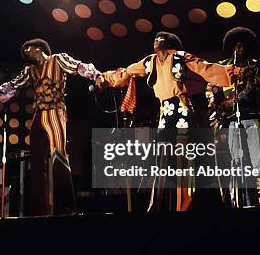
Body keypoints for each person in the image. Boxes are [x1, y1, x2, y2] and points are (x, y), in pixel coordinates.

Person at [96, 31, 244, 211]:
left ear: (169, 44)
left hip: (181, 110)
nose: (156, 40)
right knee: (162, 159)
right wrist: (104, 78)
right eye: (156, 38)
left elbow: (205, 68)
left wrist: (236, 72)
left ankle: (185, 204)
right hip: (165, 111)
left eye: (161, 38)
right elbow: (126, 72)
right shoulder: (149, 61)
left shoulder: (180, 56)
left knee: (183, 160)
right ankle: (156, 205)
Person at [0, 38, 101, 216]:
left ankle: (66, 209)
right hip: (39, 115)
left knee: (59, 156)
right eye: (24, 52)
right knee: (37, 161)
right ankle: (39, 210)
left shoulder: (57, 59)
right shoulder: (30, 71)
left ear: (39, 48)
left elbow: (78, 66)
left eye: (28, 49)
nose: (26, 53)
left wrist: (96, 76)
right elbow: (13, 85)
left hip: (56, 112)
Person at [206, 27, 260, 206]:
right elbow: (211, 89)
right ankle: (235, 201)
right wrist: (216, 105)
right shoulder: (223, 66)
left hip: (251, 115)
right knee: (234, 160)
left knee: (257, 159)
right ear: (231, 46)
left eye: (242, 44)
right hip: (230, 118)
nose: (239, 48)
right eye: (236, 44)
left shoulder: (255, 65)